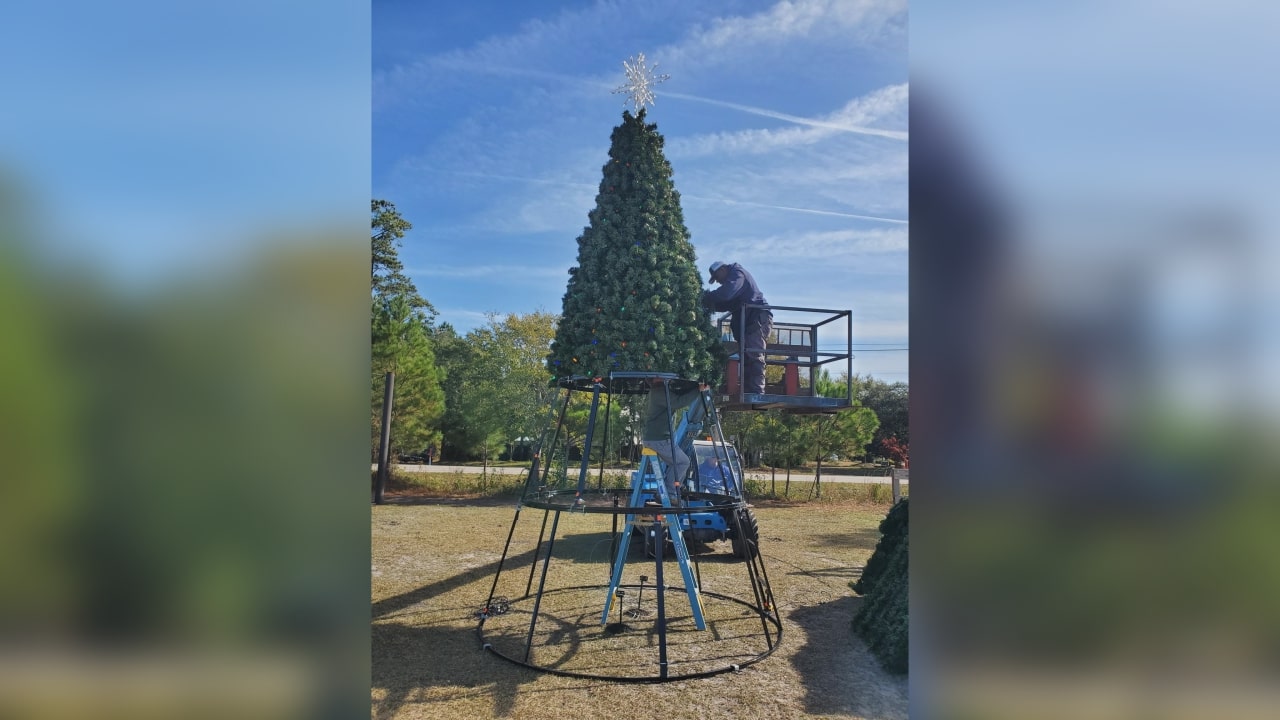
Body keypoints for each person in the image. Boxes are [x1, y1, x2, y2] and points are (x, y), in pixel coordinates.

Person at [703, 261, 773, 394]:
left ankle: (757, 391)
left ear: (723, 269)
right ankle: (747, 390)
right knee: (746, 356)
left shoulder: (737, 274)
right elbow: (725, 303)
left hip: (757, 318)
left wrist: (705, 297)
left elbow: (726, 294)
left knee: (754, 354)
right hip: (746, 322)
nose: (718, 281)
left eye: (717, 278)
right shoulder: (732, 282)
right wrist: (707, 303)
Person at [641, 378, 706, 505]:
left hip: (658, 438)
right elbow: (678, 402)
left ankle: (668, 489)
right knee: (682, 462)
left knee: (677, 462)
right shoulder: (659, 393)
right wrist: (697, 390)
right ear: (656, 378)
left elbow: (678, 397)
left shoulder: (660, 391)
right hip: (659, 439)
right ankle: (668, 493)